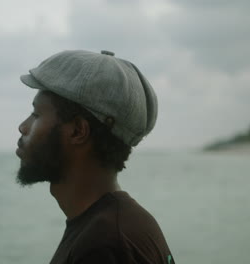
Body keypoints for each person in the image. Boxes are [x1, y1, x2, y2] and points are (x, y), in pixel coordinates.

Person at [15, 50, 175, 264]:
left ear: (78, 131)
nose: (23, 127)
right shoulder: (118, 225)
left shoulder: (105, 244)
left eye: (36, 114)